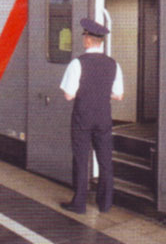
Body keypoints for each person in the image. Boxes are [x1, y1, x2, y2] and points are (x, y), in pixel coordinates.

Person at [59, 18, 124, 214]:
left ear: (87, 40)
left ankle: (79, 204)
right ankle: (105, 204)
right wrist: (101, 93)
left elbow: (68, 95)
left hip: (82, 118)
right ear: (101, 41)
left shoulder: (77, 63)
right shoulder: (113, 64)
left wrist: (86, 91)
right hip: (103, 118)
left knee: (81, 159)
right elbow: (119, 95)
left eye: (84, 36)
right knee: (105, 160)